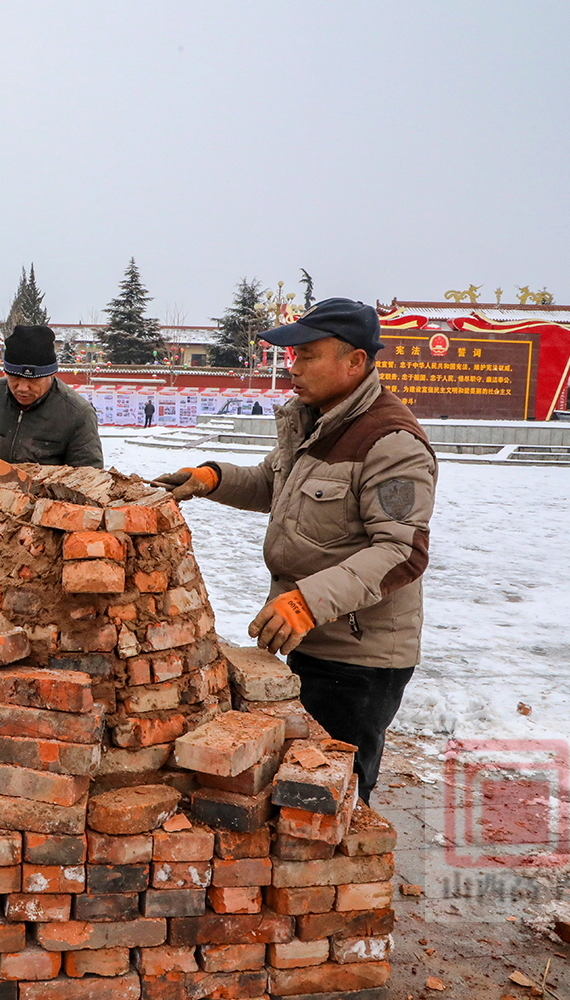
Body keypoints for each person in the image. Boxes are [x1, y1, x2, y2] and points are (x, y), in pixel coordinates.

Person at [155, 298, 437, 805]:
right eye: (293, 355)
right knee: (294, 789)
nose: (293, 368)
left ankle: (344, 882)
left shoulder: (391, 441)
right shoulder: (315, 421)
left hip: (359, 659)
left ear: (354, 362)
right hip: (304, 638)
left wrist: (307, 600)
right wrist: (212, 478)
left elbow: (401, 551)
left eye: (307, 355)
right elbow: (271, 482)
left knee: (331, 798)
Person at [0, 324, 102, 468]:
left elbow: (86, 476)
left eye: (32, 380)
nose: (22, 388)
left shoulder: (78, 414)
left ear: (50, 374)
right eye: (14, 378)